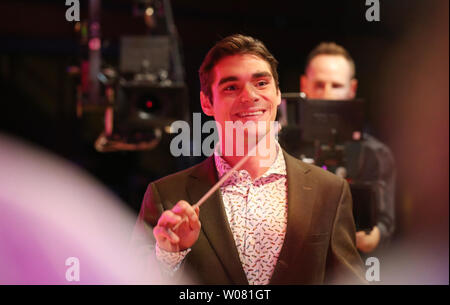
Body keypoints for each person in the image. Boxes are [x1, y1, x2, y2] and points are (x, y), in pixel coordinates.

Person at [131, 34, 365, 284]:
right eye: (231, 87)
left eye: (261, 83)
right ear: (207, 102)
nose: (250, 96)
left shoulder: (329, 191)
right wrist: (168, 255)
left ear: (277, 94)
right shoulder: (166, 195)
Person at [300, 42, 396, 254]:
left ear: (351, 89)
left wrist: (371, 237)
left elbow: (385, 224)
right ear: (304, 85)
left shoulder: (375, 154)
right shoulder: (282, 148)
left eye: (335, 86)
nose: (326, 94)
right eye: (318, 84)